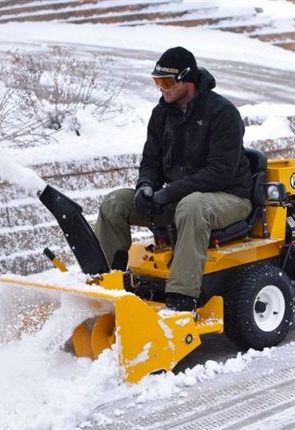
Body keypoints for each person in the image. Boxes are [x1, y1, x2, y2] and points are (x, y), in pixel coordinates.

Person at [95, 46, 252, 311]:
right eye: (157, 82)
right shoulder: (161, 115)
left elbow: (220, 172)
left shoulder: (223, 113)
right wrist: (145, 187)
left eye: (166, 82)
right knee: (115, 203)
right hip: (179, 196)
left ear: (187, 80)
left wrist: (169, 193)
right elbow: (151, 161)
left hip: (230, 196)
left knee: (192, 207)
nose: (162, 89)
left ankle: (181, 297)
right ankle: (108, 282)